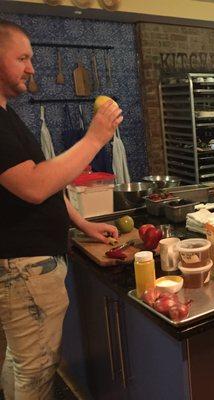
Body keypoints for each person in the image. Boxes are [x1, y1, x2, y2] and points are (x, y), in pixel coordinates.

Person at [0, 20, 123, 399]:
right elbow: (36, 186)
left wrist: (83, 224)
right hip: (24, 269)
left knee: (20, 362)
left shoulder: (7, 116)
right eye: (22, 57)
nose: (31, 68)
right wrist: (96, 136)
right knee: (36, 371)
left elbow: (47, 183)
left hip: (28, 267)